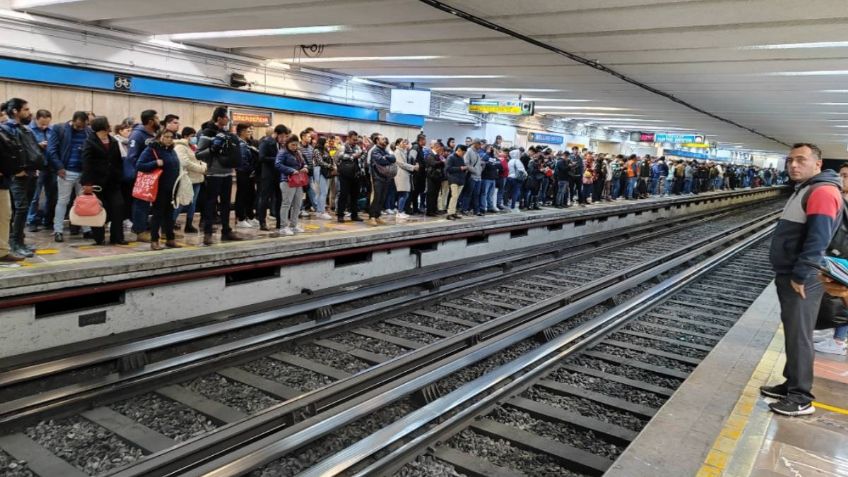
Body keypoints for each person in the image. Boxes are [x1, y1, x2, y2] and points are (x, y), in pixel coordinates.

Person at [761, 143, 843, 416]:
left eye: (801, 160)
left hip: (802, 278)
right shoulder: (807, 188)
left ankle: (800, 397)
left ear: (818, 164)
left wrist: (801, 274)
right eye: (790, 161)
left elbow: (818, 238)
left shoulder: (821, 191)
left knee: (799, 336)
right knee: (795, 332)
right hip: (793, 274)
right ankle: (790, 383)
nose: (794, 165)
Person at [2, 99, 43, 257]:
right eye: (25, 109)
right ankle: (14, 243)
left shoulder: (25, 129)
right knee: (20, 208)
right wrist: (16, 170)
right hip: (18, 176)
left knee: (22, 209)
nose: (29, 112)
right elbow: (8, 153)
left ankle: (19, 240)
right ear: (15, 111)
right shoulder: (7, 129)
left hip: (31, 173)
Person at [197, 107, 243, 246]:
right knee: (211, 203)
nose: (228, 120)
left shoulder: (226, 133)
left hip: (227, 172)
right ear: (219, 118)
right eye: (226, 117)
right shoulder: (207, 132)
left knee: (226, 204)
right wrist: (212, 149)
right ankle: (208, 233)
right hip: (213, 173)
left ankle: (226, 231)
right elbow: (198, 153)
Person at [80, 116, 126, 245]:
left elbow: (118, 161)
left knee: (118, 207)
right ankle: (99, 238)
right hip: (96, 183)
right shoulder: (89, 142)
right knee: (97, 209)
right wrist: (87, 183)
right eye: (107, 124)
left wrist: (119, 175)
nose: (110, 125)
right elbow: (86, 164)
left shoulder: (113, 141)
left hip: (113, 181)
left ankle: (117, 237)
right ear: (103, 126)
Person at [136, 129, 181, 250]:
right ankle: (154, 240)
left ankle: (170, 239)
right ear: (159, 137)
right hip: (159, 187)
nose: (169, 139)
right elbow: (139, 165)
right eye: (166, 137)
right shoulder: (151, 149)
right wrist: (155, 163)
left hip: (172, 188)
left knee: (169, 214)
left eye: (171, 137)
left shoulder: (171, 150)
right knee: (158, 214)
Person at [126, 110, 159, 242]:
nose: (158, 120)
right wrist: (143, 169)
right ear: (150, 121)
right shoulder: (137, 135)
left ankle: (149, 227)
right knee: (141, 204)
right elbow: (132, 157)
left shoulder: (155, 134)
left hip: (154, 175)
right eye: (156, 118)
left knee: (150, 204)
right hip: (142, 175)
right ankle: (139, 230)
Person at [26, 109, 55, 233]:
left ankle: (47, 220)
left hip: (51, 166)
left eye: (47, 124)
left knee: (52, 195)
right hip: (36, 167)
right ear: (36, 119)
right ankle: (32, 221)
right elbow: (27, 147)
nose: (44, 126)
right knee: (35, 196)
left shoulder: (52, 129)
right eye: (42, 124)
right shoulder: (28, 130)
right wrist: (39, 145)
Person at [172, 126, 206, 233]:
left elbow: (201, 158)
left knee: (193, 203)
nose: (194, 138)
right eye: (192, 136)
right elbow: (184, 162)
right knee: (182, 202)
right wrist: (201, 168)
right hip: (187, 179)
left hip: (197, 179)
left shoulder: (194, 146)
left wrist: (204, 166)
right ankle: (170, 223)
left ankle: (189, 224)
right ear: (185, 136)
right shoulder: (180, 147)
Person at [275, 134, 308, 236]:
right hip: (287, 181)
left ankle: (294, 225)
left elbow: (303, 163)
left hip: (298, 181)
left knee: (297, 204)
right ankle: (283, 226)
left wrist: (305, 167)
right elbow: (277, 164)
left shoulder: (298, 152)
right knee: (286, 204)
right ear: (287, 144)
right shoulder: (283, 152)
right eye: (292, 145)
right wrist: (291, 170)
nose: (294, 147)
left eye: (296, 145)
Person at [257, 124, 289, 230]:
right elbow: (261, 157)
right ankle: (262, 222)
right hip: (268, 175)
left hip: (279, 175)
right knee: (264, 198)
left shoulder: (282, 145)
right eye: (282, 136)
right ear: (275, 134)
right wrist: (277, 159)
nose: (284, 139)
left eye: (285, 137)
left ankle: (280, 222)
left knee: (280, 198)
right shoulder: (266, 142)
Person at [367, 133, 396, 226]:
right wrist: (387, 158)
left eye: (385, 139)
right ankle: (371, 217)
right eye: (383, 139)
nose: (385, 140)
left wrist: (387, 157)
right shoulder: (375, 150)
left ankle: (377, 216)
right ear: (377, 141)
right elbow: (381, 160)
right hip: (377, 177)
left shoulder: (385, 150)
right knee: (377, 197)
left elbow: (393, 158)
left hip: (385, 177)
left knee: (382, 198)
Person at [336, 131, 364, 223]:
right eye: (354, 140)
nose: (355, 141)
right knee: (343, 195)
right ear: (348, 138)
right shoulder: (343, 147)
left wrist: (362, 154)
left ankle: (354, 215)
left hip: (356, 174)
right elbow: (338, 157)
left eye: (356, 140)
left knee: (355, 196)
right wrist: (352, 156)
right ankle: (340, 215)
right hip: (345, 175)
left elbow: (361, 157)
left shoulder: (357, 147)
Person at [234, 123, 258, 229]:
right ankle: (241, 218)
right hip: (243, 172)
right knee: (242, 195)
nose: (250, 133)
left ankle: (249, 216)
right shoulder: (239, 143)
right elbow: (243, 161)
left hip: (250, 173)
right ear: (242, 131)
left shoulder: (247, 143)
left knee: (250, 195)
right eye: (248, 131)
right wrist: (250, 170)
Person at [392, 138, 416, 220]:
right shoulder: (398, 152)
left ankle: (401, 211)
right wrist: (413, 167)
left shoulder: (403, 151)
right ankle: (399, 212)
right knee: (403, 194)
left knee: (405, 194)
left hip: (404, 175)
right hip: (400, 175)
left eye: (406, 142)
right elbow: (401, 164)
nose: (405, 144)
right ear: (398, 143)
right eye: (403, 142)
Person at [312, 136, 334, 220]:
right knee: (322, 192)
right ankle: (321, 211)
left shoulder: (325, 150)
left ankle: (319, 211)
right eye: (326, 142)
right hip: (320, 171)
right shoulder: (317, 150)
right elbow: (320, 162)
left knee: (323, 192)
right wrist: (330, 166)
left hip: (325, 171)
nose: (328, 143)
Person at [446, 145, 468, 220]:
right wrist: (460, 168)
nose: (463, 154)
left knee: (456, 197)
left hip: (461, 180)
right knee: (454, 196)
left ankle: (453, 212)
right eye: (463, 152)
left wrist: (465, 168)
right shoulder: (451, 157)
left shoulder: (461, 158)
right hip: (453, 179)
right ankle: (449, 214)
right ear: (459, 150)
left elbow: (462, 167)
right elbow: (448, 169)